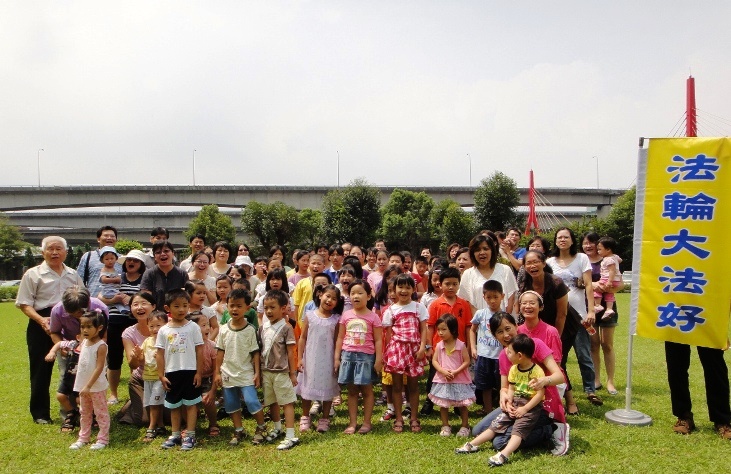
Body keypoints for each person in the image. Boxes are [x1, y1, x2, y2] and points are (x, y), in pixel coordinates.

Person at [470, 312, 568, 457]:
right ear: (495, 336)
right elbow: (505, 387)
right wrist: (504, 398)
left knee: (499, 443)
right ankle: (513, 429)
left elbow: (560, 377)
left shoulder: (535, 344)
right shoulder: (504, 355)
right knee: (478, 431)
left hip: (540, 405)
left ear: (516, 326)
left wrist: (543, 381)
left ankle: (550, 429)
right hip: (516, 403)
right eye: (499, 332)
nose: (506, 335)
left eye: (508, 328)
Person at [16, 236, 84, 424]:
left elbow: (83, 299)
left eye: (59, 249)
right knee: (40, 370)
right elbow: (24, 304)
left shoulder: (73, 274)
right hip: (41, 322)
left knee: (71, 367)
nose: (55, 252)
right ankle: (40, 413)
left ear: (66, 252)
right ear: (43, 252)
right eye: (50, 249)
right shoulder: (33, 274)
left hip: (68, 323)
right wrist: (41, 320)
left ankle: (73, 412)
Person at [456, 334, 545, 467]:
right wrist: (509, 402)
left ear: (519, 355)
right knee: (496, 424)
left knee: (518, 431)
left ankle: (504, 454)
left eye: (509, 352)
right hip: (515, 403)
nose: (506, 354)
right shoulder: (514, 369)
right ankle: (472, 445)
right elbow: (511, 388)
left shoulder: (537, 371)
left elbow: (540, 395)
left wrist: (525, 409)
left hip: (531, 407)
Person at [519, 249, 583, 416]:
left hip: (563, 327)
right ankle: (542, 399)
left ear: (543, 263)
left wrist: (555, 338)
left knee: (558, 363)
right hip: (539, 323)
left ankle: (570, 401)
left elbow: (562, 314)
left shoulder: (556, 282)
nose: (532, 266)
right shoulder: (525, 283)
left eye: (536, 262)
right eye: (528, 263)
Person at [548, 227, 602, 406]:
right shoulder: (549, 262)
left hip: (579, 316)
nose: (562, 240)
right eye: (559, 237)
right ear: (555, 241)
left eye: (566, 237)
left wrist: (591, 311)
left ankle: (590, 390)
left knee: (583, 355)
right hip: (558, 316)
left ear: (572, 240)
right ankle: (561, 389)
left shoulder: (581, 258)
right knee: (559, 357)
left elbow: (588, 285)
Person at [665, 300, 731, 438]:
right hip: (677, 310)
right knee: (676, 366)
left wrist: (721, 327)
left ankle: (722, 420)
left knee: (715, 367)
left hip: (707, 312)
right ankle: (683, 416)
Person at [215, 288, 269, 446]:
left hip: (245, 372)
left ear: (247, 308)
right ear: (227, 306)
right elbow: (220, 352)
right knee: (231, 404)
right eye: (231, 305)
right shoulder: (223, 329)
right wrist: (217, 372)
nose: (234, 309)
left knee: (252, 401)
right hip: (227, 372)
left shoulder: (250, 329)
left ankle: (261, 427)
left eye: (239, 306)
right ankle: (239, 430)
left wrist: (257, 373)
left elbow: (255, 353)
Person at [157, 289, 204, 451]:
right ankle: (175, 434)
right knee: (174, 405)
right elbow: (160, 353)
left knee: (191, 405)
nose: (181, 309)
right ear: (167, 308)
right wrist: (161, 375)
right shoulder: (163, 330)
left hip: (190, 371)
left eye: (185, 305)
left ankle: (190, 435)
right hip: (172, 372)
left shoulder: (193, 327)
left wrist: (199, 372)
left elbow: (199, 350)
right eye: (176, 306)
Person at [382, 273, 429, 433]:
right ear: (394, 289)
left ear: (413, 289)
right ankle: (399, 418)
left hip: (414, 350)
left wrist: (422, 348)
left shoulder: (418, 307)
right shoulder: (391, 310)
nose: (404, 291)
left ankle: (414, 418)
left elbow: (423, 329)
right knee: (397, 386)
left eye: (408, 287)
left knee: (413, 386)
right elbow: (388, 334)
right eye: (400, 287)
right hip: (397, 350)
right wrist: (388, 353)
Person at [335, 280, 383, 434]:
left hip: (366, 358)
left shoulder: (374, 317)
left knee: (367, 390)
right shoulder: (346, 315)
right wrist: (337, 358)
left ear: (368, 296)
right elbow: (340, 337)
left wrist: (379, 359)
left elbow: (378, 340)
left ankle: (367, 423)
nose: (356, 296)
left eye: (360, 293)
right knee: (352, 391)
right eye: (353, 293)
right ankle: (352, 423)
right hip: (348, 356)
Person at [422, 267, 471, 416]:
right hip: (440, 348)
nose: (451, 287)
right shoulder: (436, 304)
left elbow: (468, 327)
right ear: (440, 284)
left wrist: (469, 346)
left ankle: (458, 403)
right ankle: (429, 401)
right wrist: (429, 346)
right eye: (447, 284)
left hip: (458, 348)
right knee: (435, 376)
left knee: (458, 376)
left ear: (459, 284)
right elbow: (430, 326)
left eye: (454, 284)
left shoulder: (464, 304)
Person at [101, 248, 146, 405]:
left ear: (141, 264)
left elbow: (146, 298)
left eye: (135, 260)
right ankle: (113, 393)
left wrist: (130, 299)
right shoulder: (116, 278)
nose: (131, 262)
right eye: (129, 260)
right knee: (114, 358)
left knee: (136, 357)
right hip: (115, 320)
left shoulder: (144, 280)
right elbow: (101, 296)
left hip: (135, 321)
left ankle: (136, 393)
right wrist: (114, 300)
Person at [297, 285, 342, 433]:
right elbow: (302, 338)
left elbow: (337, 341)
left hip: (328, 358)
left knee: (328, 387)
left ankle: (325, 419)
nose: (329, 300)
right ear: (320, 295)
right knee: (307, 386)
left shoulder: (336, 319)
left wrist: (336, 359)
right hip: (310, 357)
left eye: (334, 299)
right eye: (327, 296)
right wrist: (300, 358)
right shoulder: (310, 315)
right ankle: (305, 416)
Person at [260, 290, 300, 450]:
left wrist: (292, 373)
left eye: (272, 307)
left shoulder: (286, 327)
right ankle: (278, 428)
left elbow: (290, 352)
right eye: (266, 308)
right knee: (271, 401)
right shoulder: (263, 327)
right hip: (266, 371)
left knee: (286, 402)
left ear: (283, 308)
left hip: (281, 372)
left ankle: (291, 435)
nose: (268, 311)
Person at [582, 232, 620, 395]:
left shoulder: (608, 259)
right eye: (585, 243)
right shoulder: (581, 261)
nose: (588, 246)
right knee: (593, 344)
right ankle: (596, 379)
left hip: (608, 308)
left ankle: (610, 381)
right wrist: (593, 284)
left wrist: (609, 287)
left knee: (607, 345)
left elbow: (620, 284)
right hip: (589, 309)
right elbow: (578, 282)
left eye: (591, 242)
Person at [69, 310, 110, 450]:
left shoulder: (101, 346)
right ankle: (83, 437)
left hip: (96, 386)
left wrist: (89, 385)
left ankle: (103, 439)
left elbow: (99, 368)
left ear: (99, 328)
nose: (85, 330)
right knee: (84, 412)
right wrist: (82, 385)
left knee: (100, 413)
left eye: (89, 327)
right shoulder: (84, 342)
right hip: (83, 386)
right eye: (82, 326)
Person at [429, 314, 475, 437]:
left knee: (462, 404)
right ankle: (445, 425)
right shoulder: (439, 345)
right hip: (443, 380)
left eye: (444, 329)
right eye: (438, 329)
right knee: (443, 405)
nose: (440, 332)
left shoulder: (460, 345)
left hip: (459, 380)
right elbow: (434, 361)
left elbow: (466, 361)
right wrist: (443, 371)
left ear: (453, 330)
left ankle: (465, 426)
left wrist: (456, 372)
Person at [118, 292, 156, 427]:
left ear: (153, 306)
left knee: (171, 417)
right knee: (144, 420)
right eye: (135, 304)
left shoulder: (165, 326)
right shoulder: (129, 333)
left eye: (144, 303)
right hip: (142, 379)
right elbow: (132, 365)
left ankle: (134, 403)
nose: (139, 307)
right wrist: (136, 357)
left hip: (164, 378)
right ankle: (134, 403)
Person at [458, 234, 518, 314]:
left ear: (492, 251)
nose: (482, 252)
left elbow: (511, 298)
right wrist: (481, 319)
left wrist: (503, 319)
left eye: (486, 249)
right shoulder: (468, 274)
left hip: (503, 319)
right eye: (477, 250)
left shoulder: (505, 270)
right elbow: (467, 302)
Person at [470, 280, 505, 415]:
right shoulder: (480, 314)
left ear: (502, 296)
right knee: (485, 385)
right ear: (484, 297)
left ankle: (502, 409)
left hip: (499, 356)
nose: (492, 301)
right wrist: (473, 347)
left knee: (501, 384)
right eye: (489, 297)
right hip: (483, 355)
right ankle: (488, 410)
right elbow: (472, 330)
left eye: (496, 297)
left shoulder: (504, 316)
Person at [188, 312, 219, 437]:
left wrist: (213, 390)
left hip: (208, 378)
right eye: (203, 325)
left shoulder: (211, 346)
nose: (208, 328)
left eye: (208, 325)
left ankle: (213, 424)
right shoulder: (187, 346)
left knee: (208, 401)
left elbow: (216, 368)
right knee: (189, 403)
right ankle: (190, 425)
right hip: (191, 377)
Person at [44, 334, 81, 433]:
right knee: (60, 396)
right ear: (78, 337)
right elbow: (60, 343)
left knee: (80, 400)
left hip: (81, 381)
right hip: (69, 378)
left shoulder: (93, 348)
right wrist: (52, 352)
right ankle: (72, 412)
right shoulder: (73, 344)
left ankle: (89, 417)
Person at [140, 311, 167, 442]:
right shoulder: (147, 341)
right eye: (151, 326)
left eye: (158, 326)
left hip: (160, 378)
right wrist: (137, 354)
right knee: (154, 402)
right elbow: (141, 358)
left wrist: (161, 358)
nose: (155, 329)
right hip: (148, 376)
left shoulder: (167, 341)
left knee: (154, 403)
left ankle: (151, 428)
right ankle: (160, 425)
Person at [140, 240, 189, 311]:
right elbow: (146, 298)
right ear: (154, 257)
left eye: (166, 251)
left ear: (173, 253)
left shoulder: (182, 274)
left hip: (177, 314)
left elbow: (187, 297)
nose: (162, 254)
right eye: (158, 252)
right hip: (155, 314)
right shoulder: (149, 274)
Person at [77, 226, 120, 297]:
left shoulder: (122, 259)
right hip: (93, 301)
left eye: (112, 236)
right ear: (98, 239)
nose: (109, 238)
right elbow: (79, 280)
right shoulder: (88, 256)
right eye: (106, 235)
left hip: (117, 301)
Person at [594, 236, 622, 319]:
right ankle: (609, 309)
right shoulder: (615, 257)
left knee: (597, 289)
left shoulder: (608, 259)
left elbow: (611, 271)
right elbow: (620, 260)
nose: (598, 251)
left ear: (608, 249)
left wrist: (609, 281)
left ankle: (598, 305)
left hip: (607, 279)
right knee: (609, 294)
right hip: (616, 280)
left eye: (600, 249)